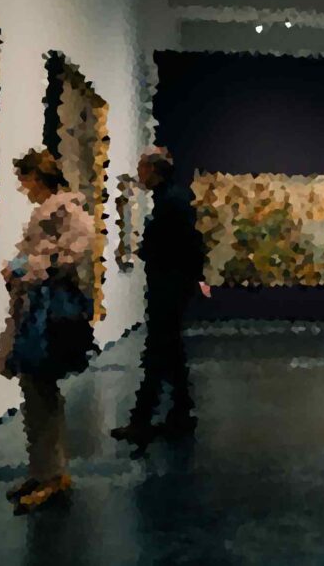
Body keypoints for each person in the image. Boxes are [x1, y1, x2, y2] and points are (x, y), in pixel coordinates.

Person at [0, 148, 98, 514]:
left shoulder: (66, 211)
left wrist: (28, 268)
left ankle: (51, 475)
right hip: (35, 308)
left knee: (41, 389)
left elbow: (72, 251)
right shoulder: (52, 211)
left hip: (47, 313)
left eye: (24, 180)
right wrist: (20, 266)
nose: (23, 187)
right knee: (34, 391)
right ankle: (43, 471)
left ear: (36, 177)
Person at [112, 146, 210, 446]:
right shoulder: (171, 199)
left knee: (158, 351)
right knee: (170, 351)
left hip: (169, 286)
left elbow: (177, 245)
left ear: (153, 170)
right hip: (171, 285)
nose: (138, 172)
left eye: (142, 166)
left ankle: (143, 420)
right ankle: (181, 411)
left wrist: (148, 250)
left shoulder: (171, 202)